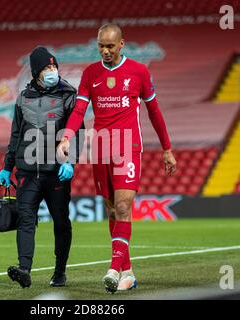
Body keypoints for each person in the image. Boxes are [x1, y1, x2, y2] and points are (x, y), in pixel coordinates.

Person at [57, 24, 177, 292]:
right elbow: (79, 109)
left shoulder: (139, 72)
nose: (105, 51)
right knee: (112, 209)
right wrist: (66, 136)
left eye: (110, 46)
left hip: (128, 146)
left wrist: (166, 148)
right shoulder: (91, 73)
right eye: (101, 46)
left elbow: (154, 112)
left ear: (122, 44)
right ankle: (128, 271)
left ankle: (112, 269)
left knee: (123, 207)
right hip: (100, 147)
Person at [0, 47, 84, 288]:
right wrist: (7, 167)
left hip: (56, 172)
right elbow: (15, 135)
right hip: (26, 172)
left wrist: (71, 162)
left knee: (61, 222)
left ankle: (59, 272)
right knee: (26, 219)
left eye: (53, 66)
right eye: (46, 68)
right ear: (36, 73)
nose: (52, 71)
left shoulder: (69, 95)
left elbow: (79, 132)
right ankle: (24, 269)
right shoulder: (23, 97)